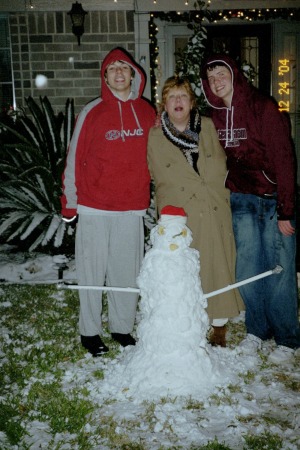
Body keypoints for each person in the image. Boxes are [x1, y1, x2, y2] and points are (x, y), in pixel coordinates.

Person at [201, 54, 300, 363]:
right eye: (212, 77)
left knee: (279, 269)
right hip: (242, 199)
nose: (218, 80)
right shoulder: (213, 116)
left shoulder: (264, 107)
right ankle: (257, 332)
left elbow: (285, 158)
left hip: (273, 201)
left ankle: (287, 338)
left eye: (222, 73)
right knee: (248, 268)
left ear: (234, 75)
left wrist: (286, 208)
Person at [61, 47, 156, 356]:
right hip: (94, 207)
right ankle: (89, 332)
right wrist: (70, 202)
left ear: (133, 75)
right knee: (91, 272)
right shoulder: (92, 111)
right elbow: (74, 158)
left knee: (126, 273)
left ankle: (121, 327)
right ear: (105, 76)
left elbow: (159, 156)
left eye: (124, 68)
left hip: (131, 208)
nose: (118, 72)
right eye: (112, 68)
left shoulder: (147, 112)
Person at [147, 76, 244, 347]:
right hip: (179, 212)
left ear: (191, 103)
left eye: (183, 97)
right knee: (184, 269)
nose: (178, 102)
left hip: (212, 206)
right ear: (164, 104)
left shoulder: (210, 126)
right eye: (171, 97)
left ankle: (219, 324)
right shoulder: (153, 134)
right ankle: (186, 319)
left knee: (217, 263)